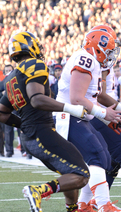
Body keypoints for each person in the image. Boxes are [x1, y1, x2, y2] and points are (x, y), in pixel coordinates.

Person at [1, 31, 90, 212]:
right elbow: (37, 99)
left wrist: (22, 125)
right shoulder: (34, 64)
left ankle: (72, 208)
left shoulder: (10, 77)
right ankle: (38, 191)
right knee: (82, 174)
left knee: (71, 170)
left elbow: (2, 113)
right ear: (30, 46)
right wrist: (71, 108)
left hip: (31, 137)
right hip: (42, 132)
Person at [55, 29, 121, 212]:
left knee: (104, 156)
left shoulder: (92, 61)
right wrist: (104, 115)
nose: (112, 55)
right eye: (110, 50)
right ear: (99, 46)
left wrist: (106, 113)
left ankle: (84, 204)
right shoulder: (86, 59)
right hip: (70, 116)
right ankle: (104, 205)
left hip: (80, 116)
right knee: (96, 155)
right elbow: (77, 98)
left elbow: (92, 98)